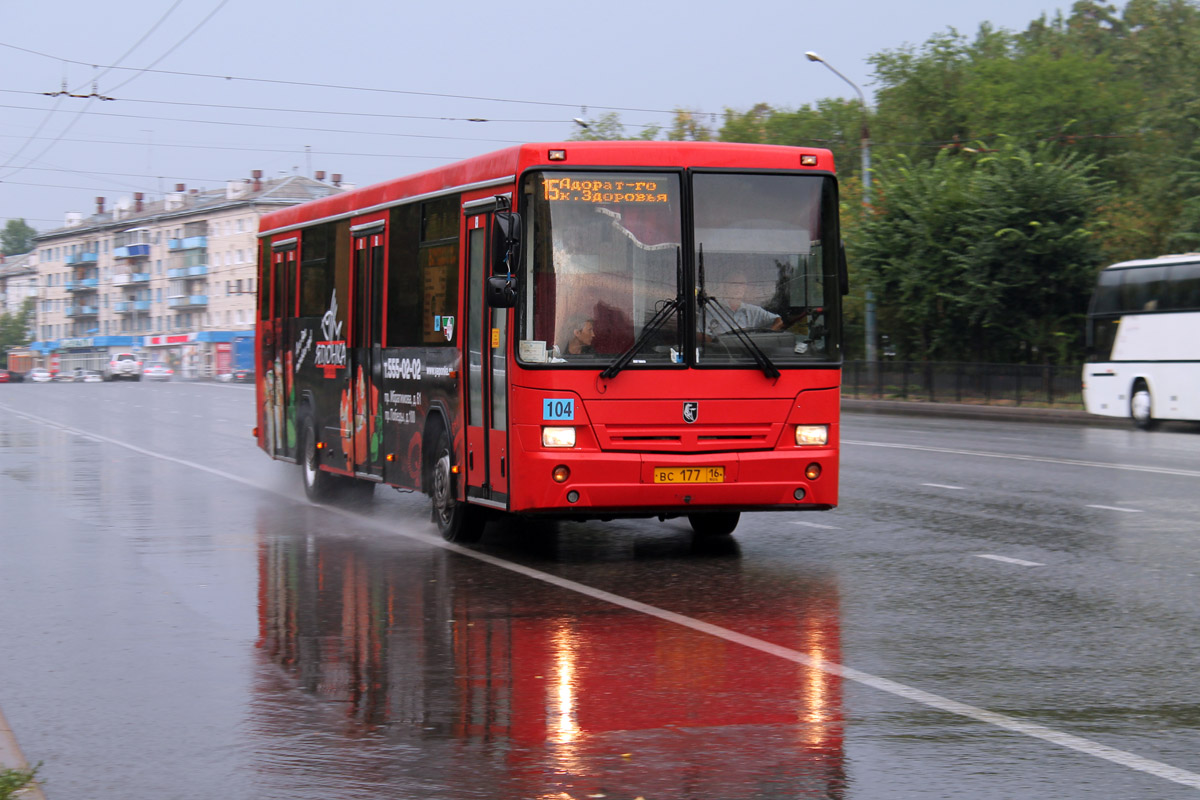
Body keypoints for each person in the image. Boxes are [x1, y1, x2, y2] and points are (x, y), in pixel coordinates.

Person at [702, 272, 782, 339]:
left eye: (741, 284)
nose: (738, 288)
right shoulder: (711, 309)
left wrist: (767, 338)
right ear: (725, 286)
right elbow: (699, 333)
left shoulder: (753, 311)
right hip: (719, 355)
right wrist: (715, 345)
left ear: (745, 287)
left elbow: (778, 321)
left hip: (749, 355)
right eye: (734, 284)